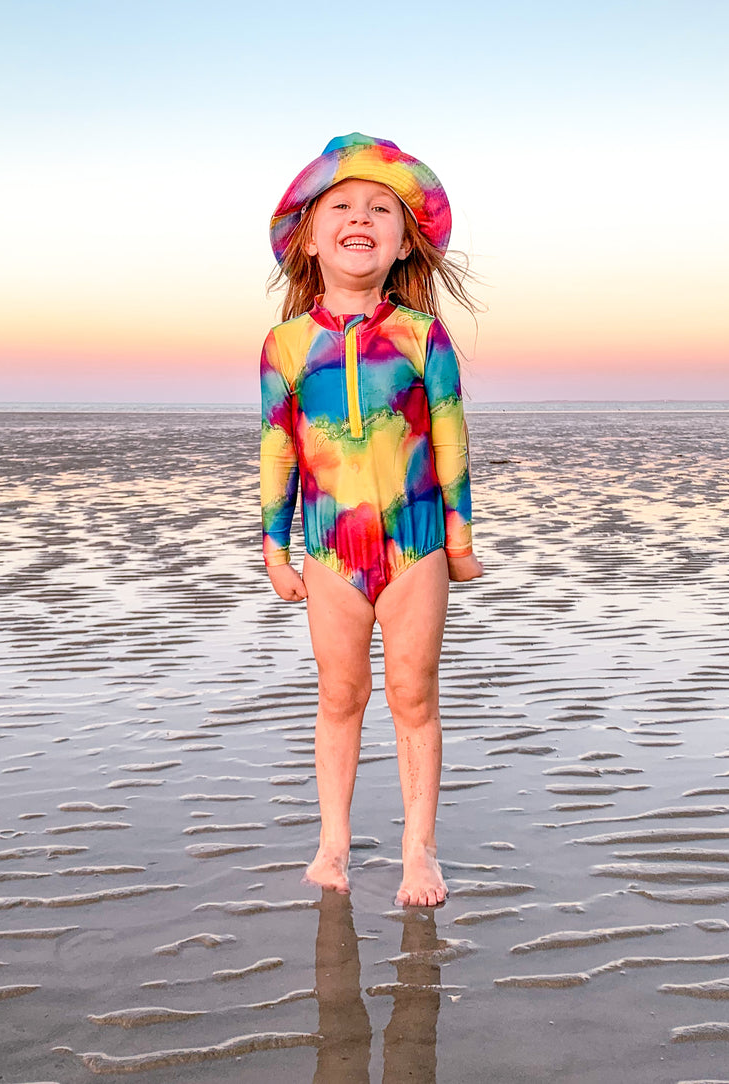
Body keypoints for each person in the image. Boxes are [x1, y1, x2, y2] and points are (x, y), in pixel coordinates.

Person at [259, 133, 483, 908]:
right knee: (338, 694)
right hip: (327, 551)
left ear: (401, 242)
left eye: (381, 209)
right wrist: (273, 548)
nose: (361, 219)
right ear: (310, 240)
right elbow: (277, 447)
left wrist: (458, 536)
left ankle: (418, 850)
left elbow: (449, 435)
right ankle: (332, 842)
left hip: (413, 544)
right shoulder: (285, 345)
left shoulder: (423, 336)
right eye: (342, 207)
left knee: (413, 696)